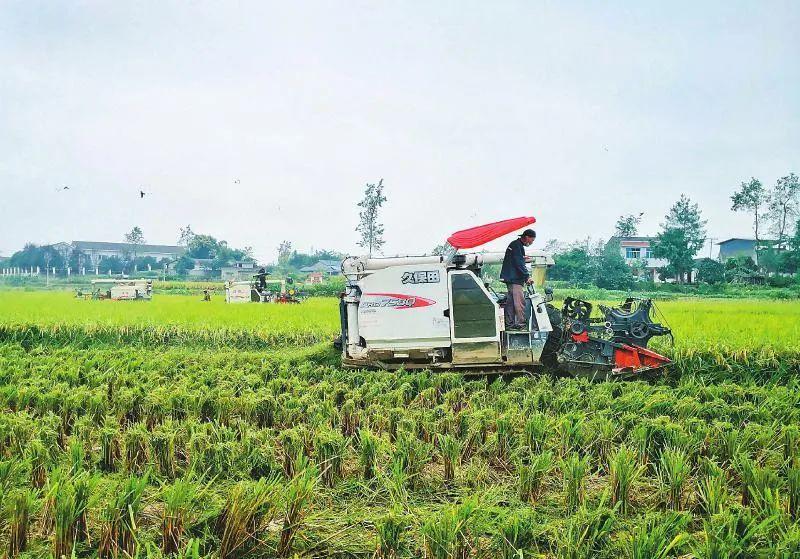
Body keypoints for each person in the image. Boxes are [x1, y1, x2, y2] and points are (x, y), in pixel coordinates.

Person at [500, 229, 536, 329]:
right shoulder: (517, 246)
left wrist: (523, 258)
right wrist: (527, 276)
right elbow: (519, 263)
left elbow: (517, 260)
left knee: (510, 303)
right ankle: (521, 324)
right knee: (519, 302)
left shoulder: (515, 245)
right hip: (515, 279)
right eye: (532, 240)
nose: (531, 242)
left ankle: (509, 324)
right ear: (527, 237)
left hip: (510, 278)